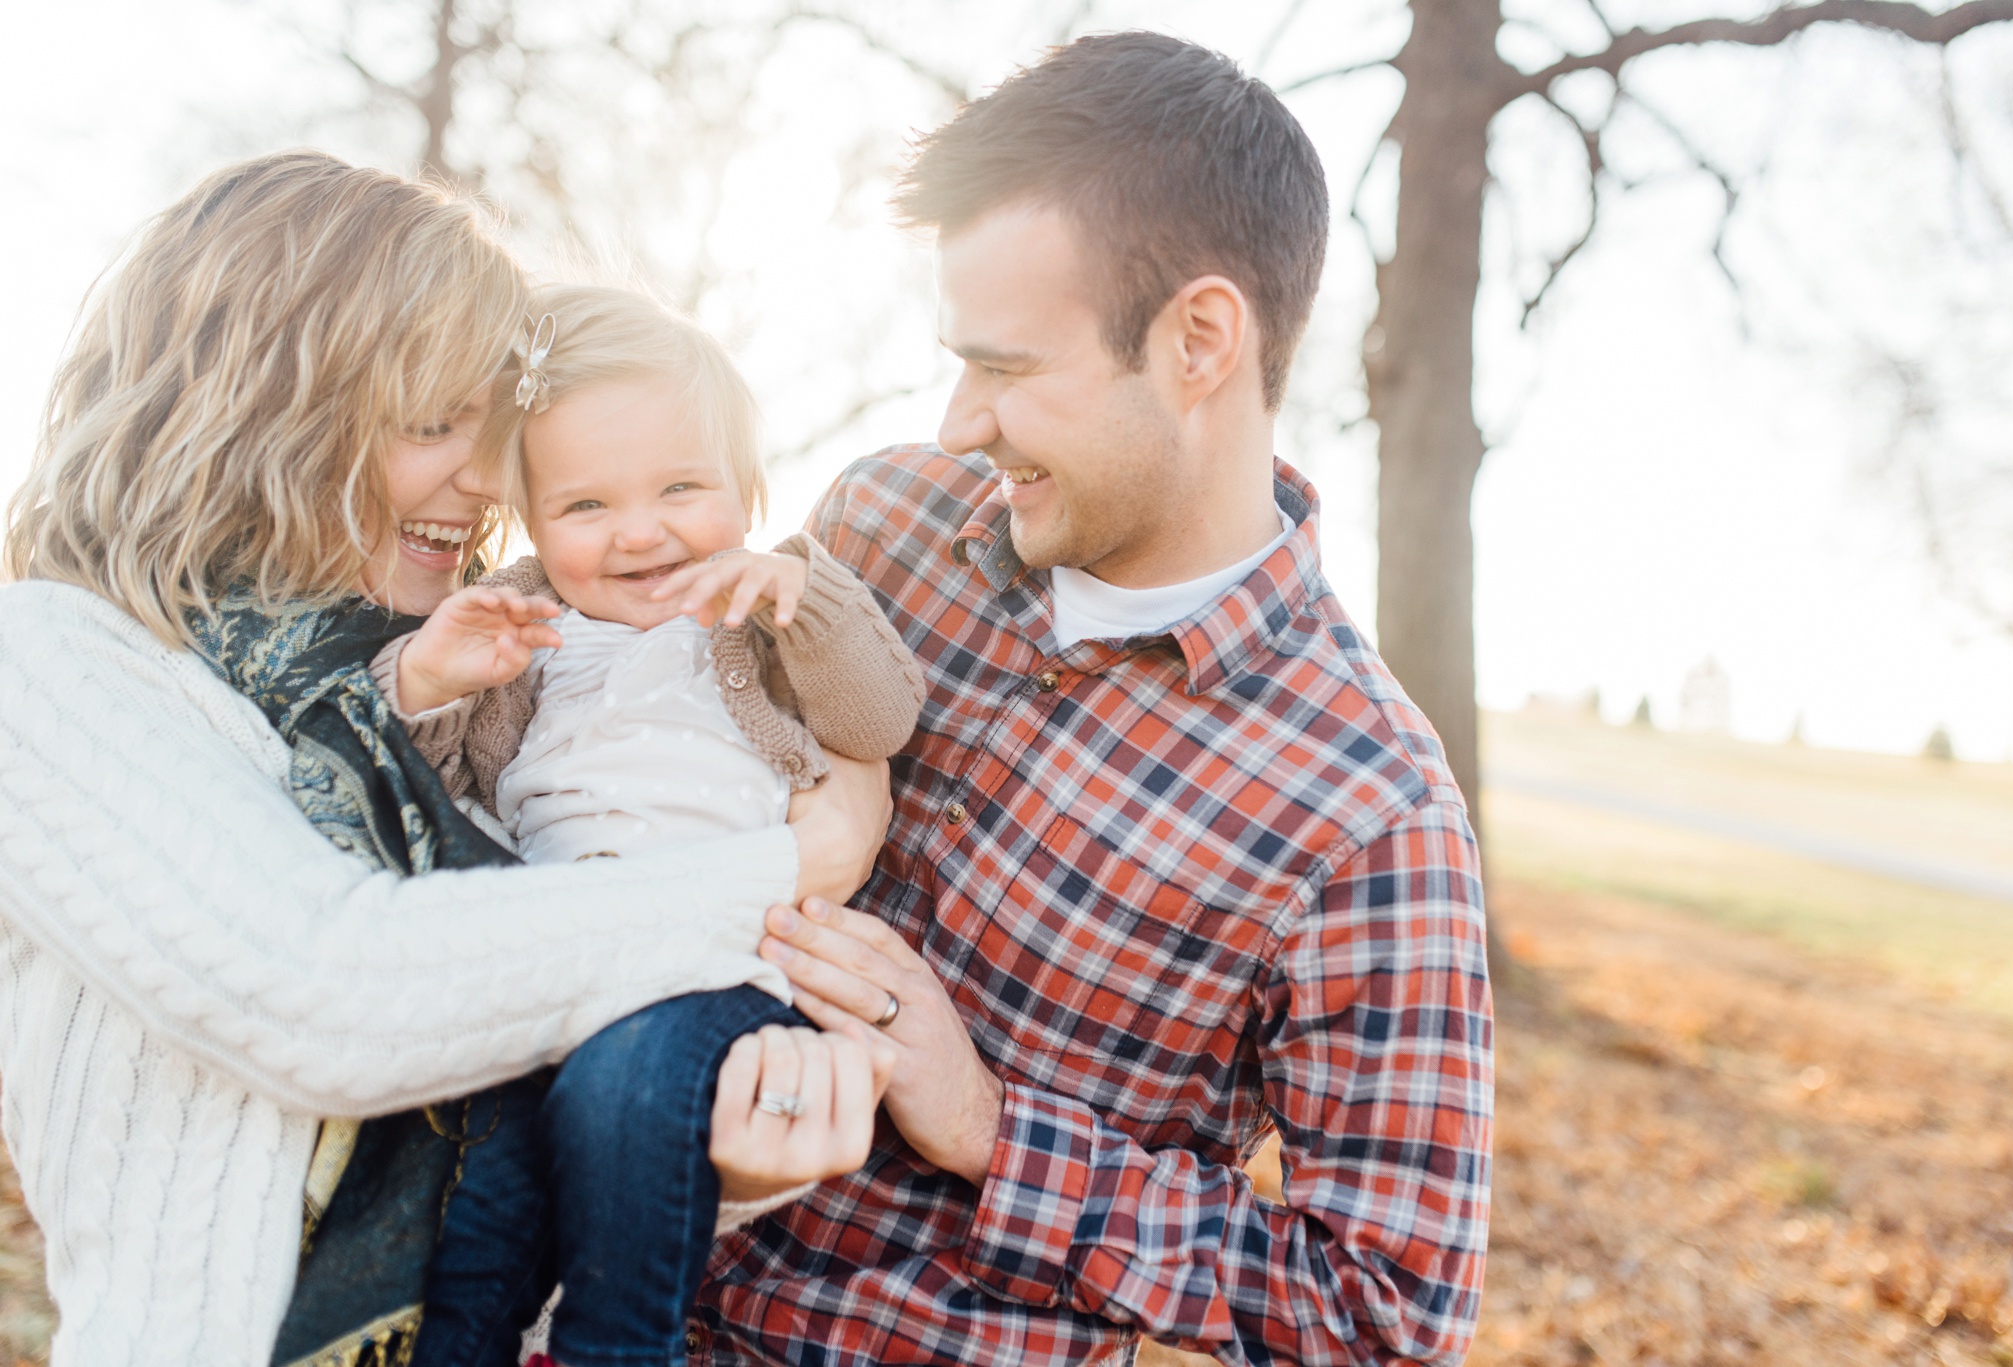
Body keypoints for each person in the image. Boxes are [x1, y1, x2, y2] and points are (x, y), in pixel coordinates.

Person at [0, 151, 891, 1367]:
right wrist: (796, 859)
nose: (484, 483)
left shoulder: (451, 684)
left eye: (494, 428)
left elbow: (507, 1024)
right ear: (263, 407)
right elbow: (326, 992)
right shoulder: (50, 660)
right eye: (431, 424)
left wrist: (706, 1143)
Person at [697, 34, 1494, 1366]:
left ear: (1199, 340)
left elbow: (1387, 1316)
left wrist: (996, 1127)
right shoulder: (881, 527)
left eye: (1006, 369)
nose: (959, 422)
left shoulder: (1368, 811)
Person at [369, 283, 927, 1365]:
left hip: (714, 973)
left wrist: (798, 598)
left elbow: (881, 712)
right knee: (483, 1192)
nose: (639, 532)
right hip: (545, 980)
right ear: (532, 521)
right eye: (585, 507)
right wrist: (428, 673)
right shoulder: (519, 628)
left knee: (629, 1092)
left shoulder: (766, 614)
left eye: (681, 486)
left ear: (747, 489)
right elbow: (417, 785)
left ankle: (618, 1346)